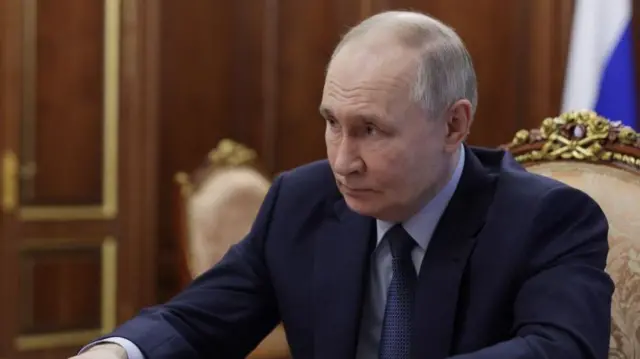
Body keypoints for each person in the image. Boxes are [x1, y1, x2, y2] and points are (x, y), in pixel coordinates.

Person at [72, 10, 614, 359]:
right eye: (332, 123)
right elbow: (201, 319)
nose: (343, 161)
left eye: (371, 130)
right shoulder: (301, 201)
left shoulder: (547, 217)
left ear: (454, 125)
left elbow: (559, 348)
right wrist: (120, 352)